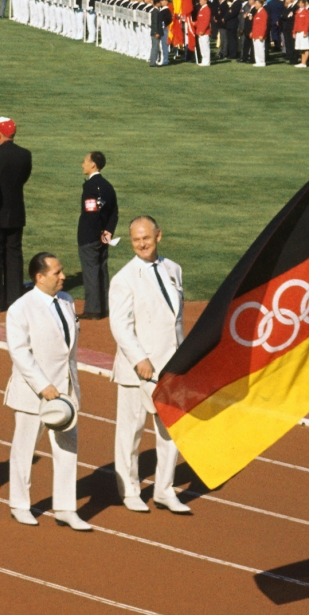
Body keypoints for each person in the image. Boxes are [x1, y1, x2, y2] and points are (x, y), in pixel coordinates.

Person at [108, 216, 189, 514]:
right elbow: (120, 325)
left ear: (158, 236)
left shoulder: (174, 270)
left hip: (171, 367)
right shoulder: (124, 278)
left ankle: (165, 489)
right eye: (136, 240)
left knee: (171, 432)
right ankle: (129, 490)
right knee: (131, 432)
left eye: (146, 238)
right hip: (138, 369)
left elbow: (175, 319)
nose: (141, 244)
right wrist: (139, 358)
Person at [3, 253, 89, 530]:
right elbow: (20, 353)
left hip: (65, 390)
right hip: (34, 393)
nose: (63, 276)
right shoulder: (20, 309)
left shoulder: (66, 301)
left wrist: (65, 385)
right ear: (39, 277)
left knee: (68, 449)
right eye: (57, 273)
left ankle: (65, 507)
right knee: (24, 448)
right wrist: (44, 386)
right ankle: (19, 504)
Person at [0, 118, 31, 312]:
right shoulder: (25, 155)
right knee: (14, 255)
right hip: (16, 211)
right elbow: (23, 178)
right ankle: (14, 299)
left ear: (0, 134)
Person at [77, 152, 119, 321]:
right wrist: (107, 231)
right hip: (104, 236)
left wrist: (96, 233)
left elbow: (91, 213)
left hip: (90, 236)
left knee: (91, 271)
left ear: (93, 165)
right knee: (102, 270)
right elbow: (114, 212)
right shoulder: (108, 186)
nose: (83, 165)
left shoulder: (90, 187)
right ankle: (105, 307)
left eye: (85, 161)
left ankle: (93, 310)